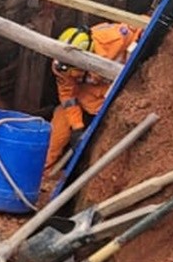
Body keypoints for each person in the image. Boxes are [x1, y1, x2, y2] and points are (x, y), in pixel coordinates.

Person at [45, 22, 140, 177]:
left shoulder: (113, 39)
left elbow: (142, 27)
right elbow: (67, 96)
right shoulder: (60, 65)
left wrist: (134, 56)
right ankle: (44, 173)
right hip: (87, 99)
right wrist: (77, 127)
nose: (70, 74)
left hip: (118, 96)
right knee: (58, 131)